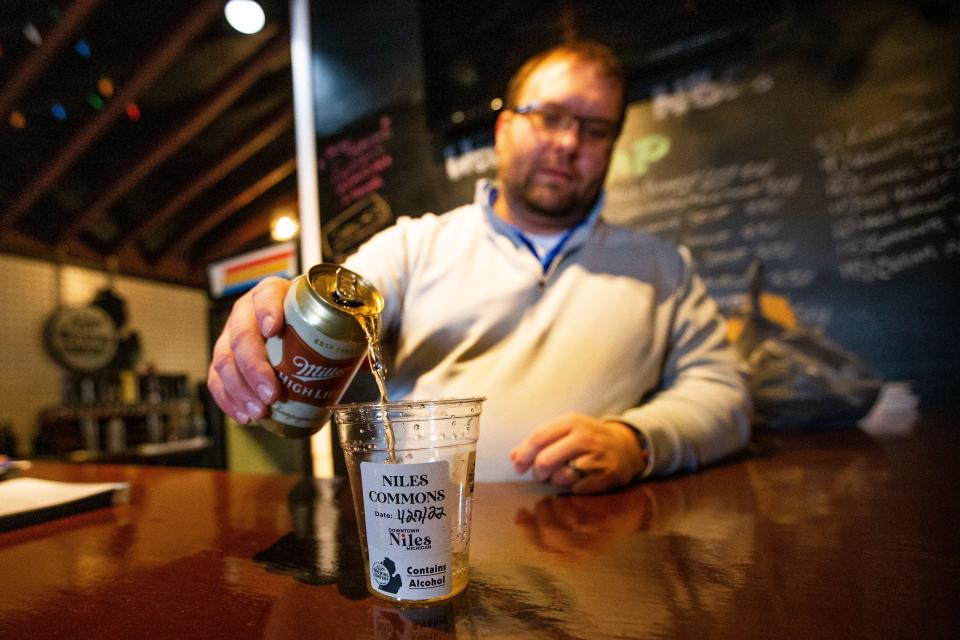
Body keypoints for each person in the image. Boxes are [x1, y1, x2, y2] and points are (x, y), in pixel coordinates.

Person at [208, 40, 751, 494]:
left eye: (594, 129)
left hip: (599, 544)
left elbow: (724, 396)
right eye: (550, 117)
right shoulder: (413, 246)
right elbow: (342, 301)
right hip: (423, 544)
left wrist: (637, 441)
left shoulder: (662, 268)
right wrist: (278, 309)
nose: (568, 143)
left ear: (611, 146)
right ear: (503, 130)